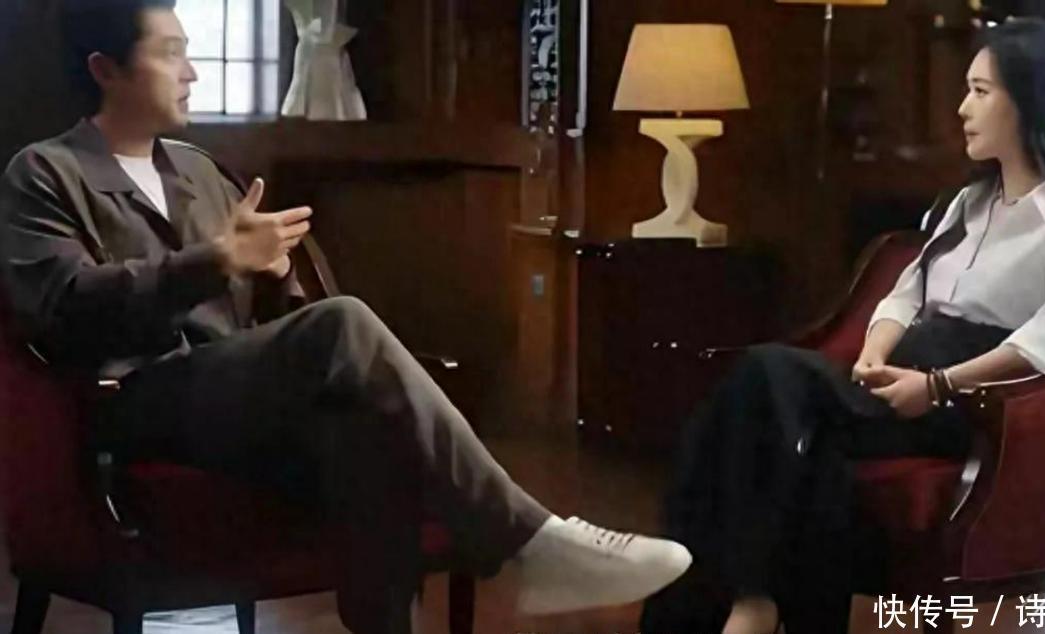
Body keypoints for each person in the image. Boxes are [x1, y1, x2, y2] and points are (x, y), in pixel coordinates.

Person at [0, 1, 691, 632]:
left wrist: (274, 277)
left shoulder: (199, 171)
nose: (191, 73)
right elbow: (63, 307)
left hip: (228, 397)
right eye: (170, 53)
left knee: (365, 425)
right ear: (106, 69)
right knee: (344, 324)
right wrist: (217, 260)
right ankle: (528, 540)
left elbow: (276, 320)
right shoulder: (45, 173)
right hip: (130, 399)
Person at [640, 18, 1045, 634]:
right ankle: (766, 608)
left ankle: (731, 604)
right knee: (806, 453)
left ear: (1031, 104)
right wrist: (873, 354)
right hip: (907, 368)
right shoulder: (969, 203)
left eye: (980, 92)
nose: (962, 108)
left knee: (764, 372)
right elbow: (906, 292)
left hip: (977, 400)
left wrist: (939, 385)